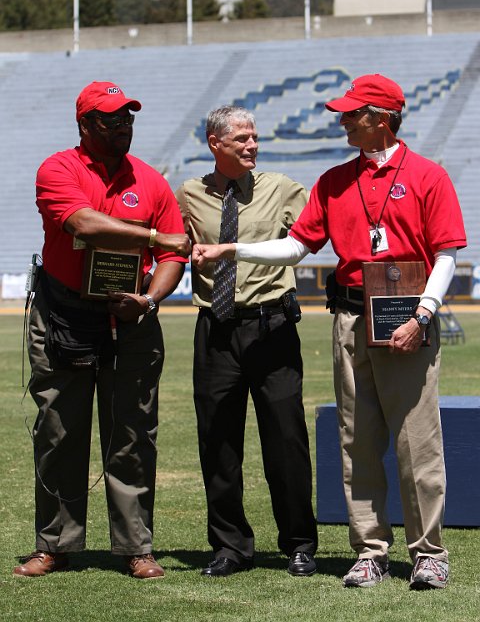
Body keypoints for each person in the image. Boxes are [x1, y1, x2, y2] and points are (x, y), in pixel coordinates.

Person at [192, 75, 467, 590]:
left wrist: (424, 314)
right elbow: (297, 247)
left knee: (417, 442)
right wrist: (235, 250)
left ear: (381, 118)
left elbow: (448, 253)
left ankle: (428, 551)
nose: (341, 121)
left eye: (352, 114)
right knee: (356, 440)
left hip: (409, 317)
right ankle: (369, 549)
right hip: (349, 319)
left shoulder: (429, 176)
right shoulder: (334, 180)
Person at [14, 81, 190, 580]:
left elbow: (174, 257)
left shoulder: (151, 181)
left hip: (131, 320)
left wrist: (150, 299)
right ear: (85, 125)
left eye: (128, 119)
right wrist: (153, 234)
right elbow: (84, 224)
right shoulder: (58, 169)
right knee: (58, 432)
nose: (123, 128)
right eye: (112, 121)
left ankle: (136, 547)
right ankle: (54, 544)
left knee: (133, 433)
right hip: (64, 317)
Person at [175, 105, 318, 577]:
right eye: (242, 139)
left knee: (287, 440)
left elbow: (314, 234)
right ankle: (230, 547)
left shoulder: (282, 189)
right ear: (215, 143)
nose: (252, 145)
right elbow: (172, 248)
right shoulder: (190, 195)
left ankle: (299, 544)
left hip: (272, 327)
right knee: (218, 442)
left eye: (254, 137)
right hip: (215, 331)